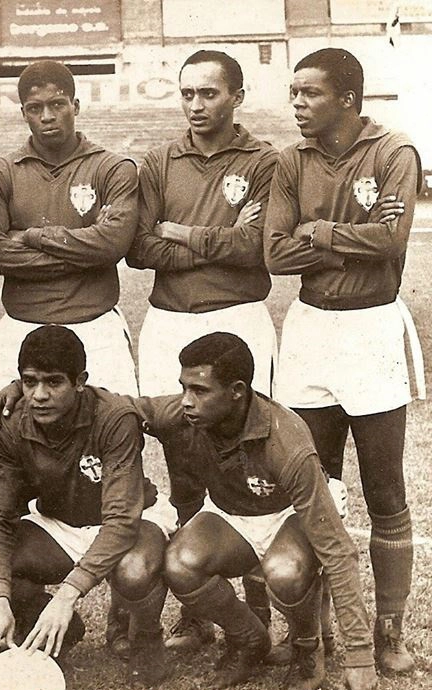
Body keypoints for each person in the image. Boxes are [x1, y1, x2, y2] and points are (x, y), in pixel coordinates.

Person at [265, 47, 421, 676]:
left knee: (383, 485)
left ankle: (389, 630)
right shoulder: (288, 160)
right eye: (293, 92)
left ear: (349, 99)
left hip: (373, 328)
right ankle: (314, 632)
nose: (297, 104)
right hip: (310, 331)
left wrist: (320, 232)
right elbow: (275, 254)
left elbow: (392, 242)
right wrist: (348, 235)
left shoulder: (393, 152)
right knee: (314, 483)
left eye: (310, 93)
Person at [124, 49, 279, 655]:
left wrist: (180, 232)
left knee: (247, 456)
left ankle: (258, 605)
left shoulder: (266, 160)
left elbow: (255, 248)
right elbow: (138, 247)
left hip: (240, 320)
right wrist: (216, 242)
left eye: (208, 93)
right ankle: (195, 608)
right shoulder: (160, 160)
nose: (195, 105)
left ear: (235, 95)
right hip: (169, 319)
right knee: (184, 458)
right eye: (186, 93)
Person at [141, 332, 376, 690]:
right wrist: (19, 394)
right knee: (179, 563)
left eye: (200, 390)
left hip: (289, 514)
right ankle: (248, 638)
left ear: (237, 390)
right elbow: (119, 409)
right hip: (232, 514)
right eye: (183, 388)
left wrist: (360, 656)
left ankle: (306, 648)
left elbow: (338, 551)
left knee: (284, 571)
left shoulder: (287, 440)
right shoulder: (186, 413)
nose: (186, 401)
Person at [0, 326, 173, 687]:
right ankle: (46, 625)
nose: (39, 395)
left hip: (133, 521)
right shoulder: (11, 423)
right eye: (29, 382)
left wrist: (67, 594)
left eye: (53, 382)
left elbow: (122, 520)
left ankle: (146, 640)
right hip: (61, 523)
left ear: (80, 381)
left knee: (135, 568)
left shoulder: (114, 417)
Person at [0, 60, 139, 397]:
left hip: (96, 326)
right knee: (16, 441)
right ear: (23, 113)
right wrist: (85, 249)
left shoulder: (113, 168)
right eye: (35, 108)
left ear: (75, 105)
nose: (47, 116)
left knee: (115, 434)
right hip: (22, 325)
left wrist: (32, 236)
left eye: (57, 104)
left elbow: (112, 245)